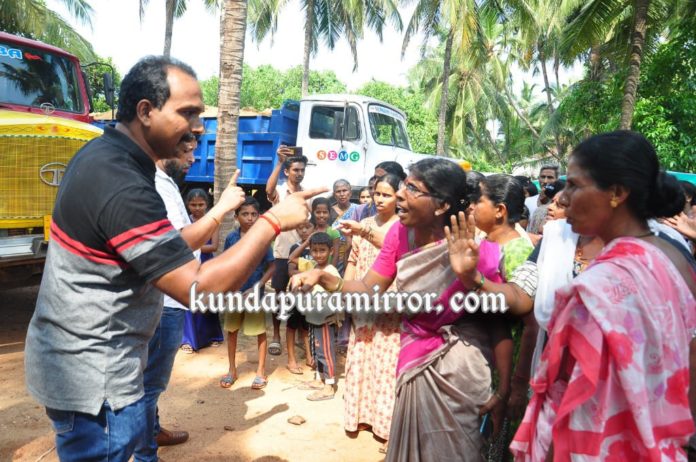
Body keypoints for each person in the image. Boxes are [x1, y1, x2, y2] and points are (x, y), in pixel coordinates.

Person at [24, 55, 321, 461]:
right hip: (95, 380)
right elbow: (198, 289)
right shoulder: (121, 181)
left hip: (87, 368)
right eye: (188, 113)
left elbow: (164, 245)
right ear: (146, 111)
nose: (199, 126)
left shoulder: (106, 156)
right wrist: (271, 222)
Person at [291, 158, 509, 461]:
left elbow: (497, 323)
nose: (401, 195)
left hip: (462, 372)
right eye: (404, 185)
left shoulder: (475, 248)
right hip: (414, 360)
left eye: (413, 189)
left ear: (442, 205)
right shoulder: (398, 235)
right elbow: (367, 288)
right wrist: (324, 278)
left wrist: (504, 390)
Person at [507, 131, 696, 460]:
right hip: (657, 444)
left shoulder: (598, 285)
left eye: (574, 185)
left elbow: (565, 397)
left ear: (617, 193)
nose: (562, 199)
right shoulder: (673, 256)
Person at [136, 133, 232, 460]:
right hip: (166, 301)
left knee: (151, 381)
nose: (193, 158)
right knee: (150, 384)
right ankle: (146, 454)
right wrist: (221, 209)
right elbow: (178, 243)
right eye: (187, 151)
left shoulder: (165, 183)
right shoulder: (159, 186)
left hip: (170, 298)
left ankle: (153, 430)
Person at [339, 174, 401, 451]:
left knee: (385, 363)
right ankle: (361, 417)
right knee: (361, 356)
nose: (380, 199)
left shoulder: (402, 227)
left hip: (388, 303)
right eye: (377, 193)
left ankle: (386, 427)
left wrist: (363, 232)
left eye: (387, 194)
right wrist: (345, 293)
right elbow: (352, 260)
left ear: (399, 197)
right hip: (362, 301)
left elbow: (392, 248)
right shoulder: (364, 222)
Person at [220, 197, 275, 390]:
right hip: (235, 294)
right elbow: (225, 263)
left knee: (259, 331)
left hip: (255, 295)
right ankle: (232, 370)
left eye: (253, 214)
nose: (249, 218)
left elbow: (272, 266)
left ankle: (260, 372)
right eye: (245, 214)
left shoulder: (263, 238)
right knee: (232, 331)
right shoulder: (231, 238)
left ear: (259, 216)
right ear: (236, 216)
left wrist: (258, 286)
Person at [266, 146, 308, 359]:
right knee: (279, 295)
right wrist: (279, 161)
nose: (299, 173)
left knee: (301, 295)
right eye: (295, 170)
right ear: (287, 172)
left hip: (302, 254)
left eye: (302, 170)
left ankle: (300, 335)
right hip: (282, 253)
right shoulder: (281, 192)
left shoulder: (306, 194)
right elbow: (268, 190)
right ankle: (276, 335)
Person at [180, 188, 225, 353]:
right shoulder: (184, 221)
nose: (197, 208)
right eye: (194, 205)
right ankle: (188, 339)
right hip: (189, 264)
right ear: (187, 205)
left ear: (207, 204)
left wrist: (192, 246)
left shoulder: (213, 221)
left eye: (201, 204)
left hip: (206, 264)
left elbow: (214, 246)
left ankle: (212, 335)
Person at [299, 232, 343, 401]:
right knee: (317, 350)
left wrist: (337, 314)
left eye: (322, 250)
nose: (318, 254)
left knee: (326, 350)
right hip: (314, 316)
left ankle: (329, 386)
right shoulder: (313, 269)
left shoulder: (331, 271)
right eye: (315, 250)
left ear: (330, 251)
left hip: (325, 318)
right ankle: (319, 379)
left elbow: (339, 294)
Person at [331, 179, 359, 275]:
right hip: (333, 251)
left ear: (350, 193)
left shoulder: (358, 209)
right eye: (338, 191)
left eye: (344, 190)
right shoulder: (329, 211)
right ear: (334, 195)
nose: (342, 194)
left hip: (353, 250)